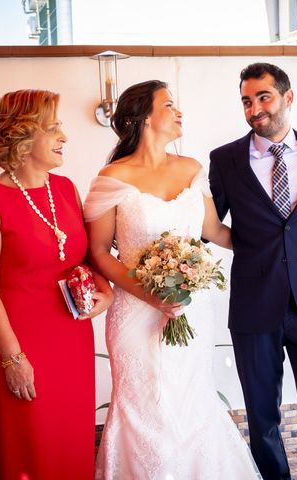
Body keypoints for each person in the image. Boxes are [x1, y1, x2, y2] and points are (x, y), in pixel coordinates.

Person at [84, 80, 260, 479]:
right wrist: (151, 295)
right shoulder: (112, 178)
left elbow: (216, 232)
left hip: (191, 313)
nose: (179, 111)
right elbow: (97, 252)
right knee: (144, 405)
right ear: (143, 117)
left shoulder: (191, 169)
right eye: (169, 104)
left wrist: (274, 239)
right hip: (135, 313)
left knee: (191, 400)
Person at [209, 63, 297, 480]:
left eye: (263, 97)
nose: (254, 109)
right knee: (262, 416)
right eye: (247, 101)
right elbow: (208, 224)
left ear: (288, 97)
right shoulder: (226, 159)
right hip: (254, 306)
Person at [0, 89, 113, 479]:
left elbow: (83, 258)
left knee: (70, 440)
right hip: (19, 344)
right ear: (22, 137)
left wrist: (106, 292)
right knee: (26, 447)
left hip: (71, 339)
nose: (64, 136)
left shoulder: (65, 189)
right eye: (53, 128)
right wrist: (13, 359)